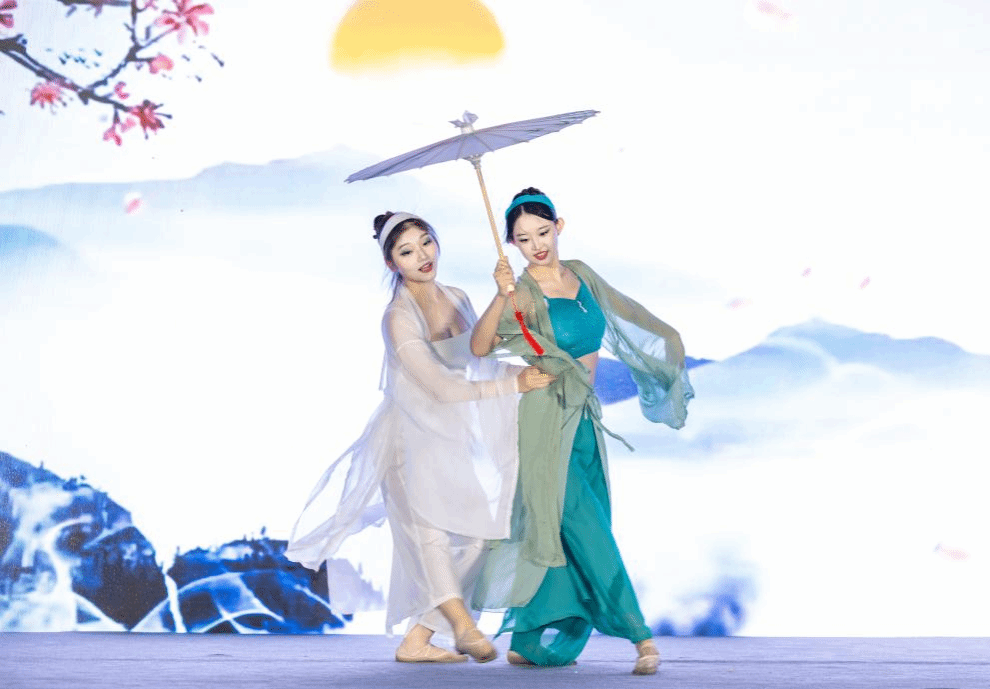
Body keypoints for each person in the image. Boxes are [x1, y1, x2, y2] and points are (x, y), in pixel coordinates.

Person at [286, 211, 555, 663]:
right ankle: (463, 626)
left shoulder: (457, 297)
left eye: (426, 242)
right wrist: (513, 386)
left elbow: (479, 362)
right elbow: (440, 387)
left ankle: (418, 640)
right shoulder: (397, 318)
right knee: (429, 535)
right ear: (392, 263)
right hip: (408, 438)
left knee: (479, 538)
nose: (422, 256)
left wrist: (522, 362)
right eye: (407, 252)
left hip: (453, 436)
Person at [470, 188, 694, 675]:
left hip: (586, 417)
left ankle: (532, 639)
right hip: (546, 420)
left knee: (576, 525)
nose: (536, 245)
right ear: (512, 243)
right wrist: (500, 294)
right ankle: (641, 637)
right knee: (582, 524)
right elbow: (481, 346)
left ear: (559, 227)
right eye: (523, 239)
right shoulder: (521, 292)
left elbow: (625, 314)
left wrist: (667, 347)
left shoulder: (582, 274)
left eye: (543, 232)